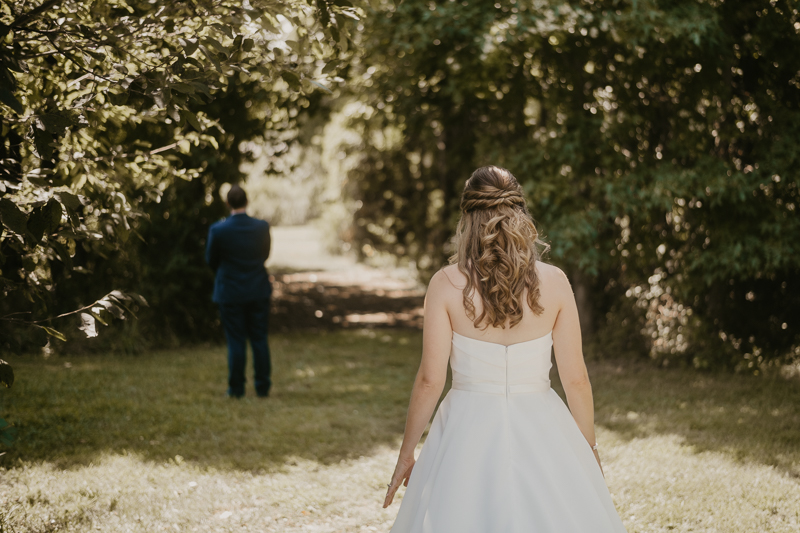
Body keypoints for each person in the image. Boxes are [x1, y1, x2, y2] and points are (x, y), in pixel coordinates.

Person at [383, 166, 628, 532]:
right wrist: (588, 450)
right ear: (520, 213)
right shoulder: (556, 282)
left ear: (467, 218)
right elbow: (576, 380)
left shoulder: (445, 284)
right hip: (543, 423)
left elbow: (430, 380)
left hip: (466, 427)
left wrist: (407, 454)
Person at [205, 184, 273, 398]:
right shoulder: (261, 227)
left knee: (236, 341)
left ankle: (236, 389)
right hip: (258, 288)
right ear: (247, 201)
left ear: (227, 204)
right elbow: (265, 255)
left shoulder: (218, 229)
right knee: (259, 339)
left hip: (230, 291)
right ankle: (262, 387)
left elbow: (211, 260)